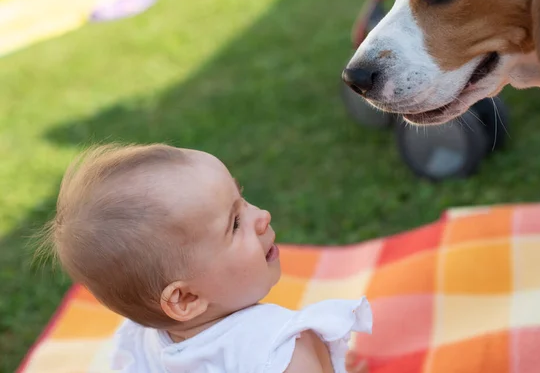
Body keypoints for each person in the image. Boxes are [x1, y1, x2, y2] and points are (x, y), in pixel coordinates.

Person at [36, 143, 372, 372]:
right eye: (235, 223)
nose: (263, 216)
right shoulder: (278, 349)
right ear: (185, 298)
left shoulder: (143, 345)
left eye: (242, 198)